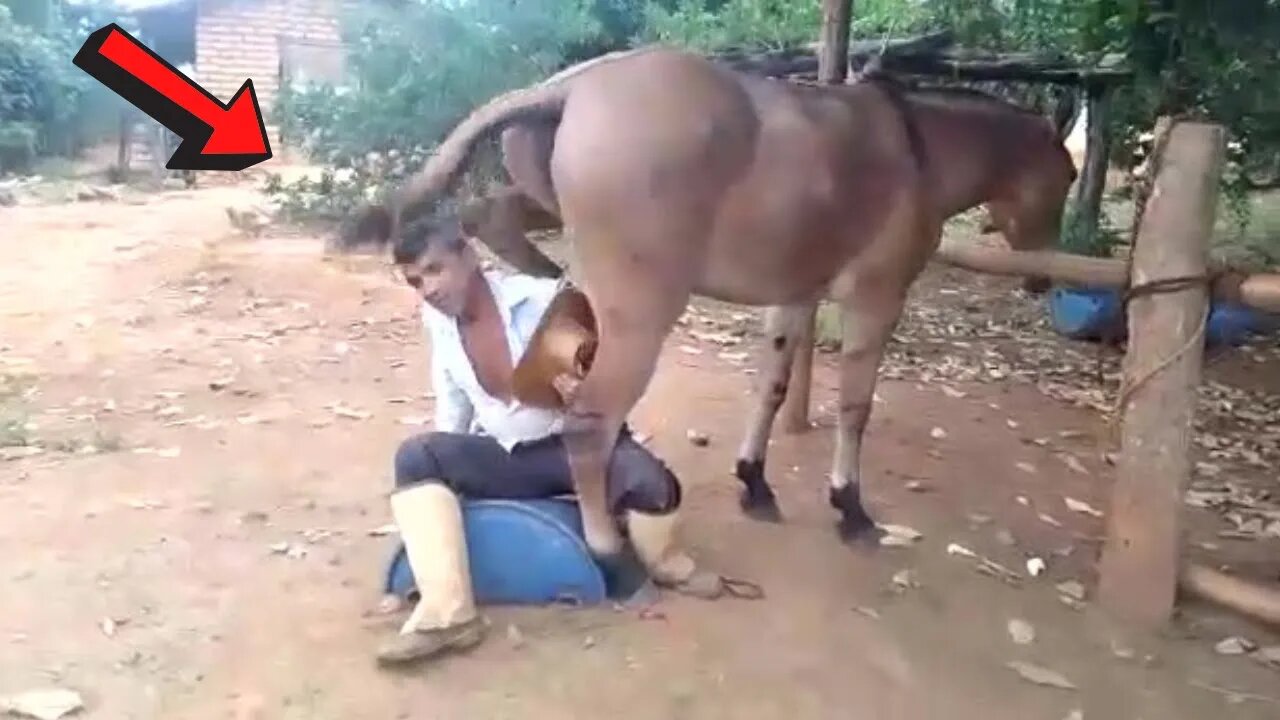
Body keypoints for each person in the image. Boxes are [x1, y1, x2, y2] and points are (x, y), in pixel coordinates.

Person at [375, 215, 745, 669]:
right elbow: (453, 405)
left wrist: (583, 391)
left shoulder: (543, 301)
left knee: (653, 486)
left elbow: (613, 379)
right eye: (416, 281)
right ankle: (450, 613)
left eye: (435, 270)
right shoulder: (437, 320)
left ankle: (667, 564)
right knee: (418, 457)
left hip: (571, 449)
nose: (428, 289)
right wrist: (440, 488)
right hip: (507, 456)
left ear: (469, 256)